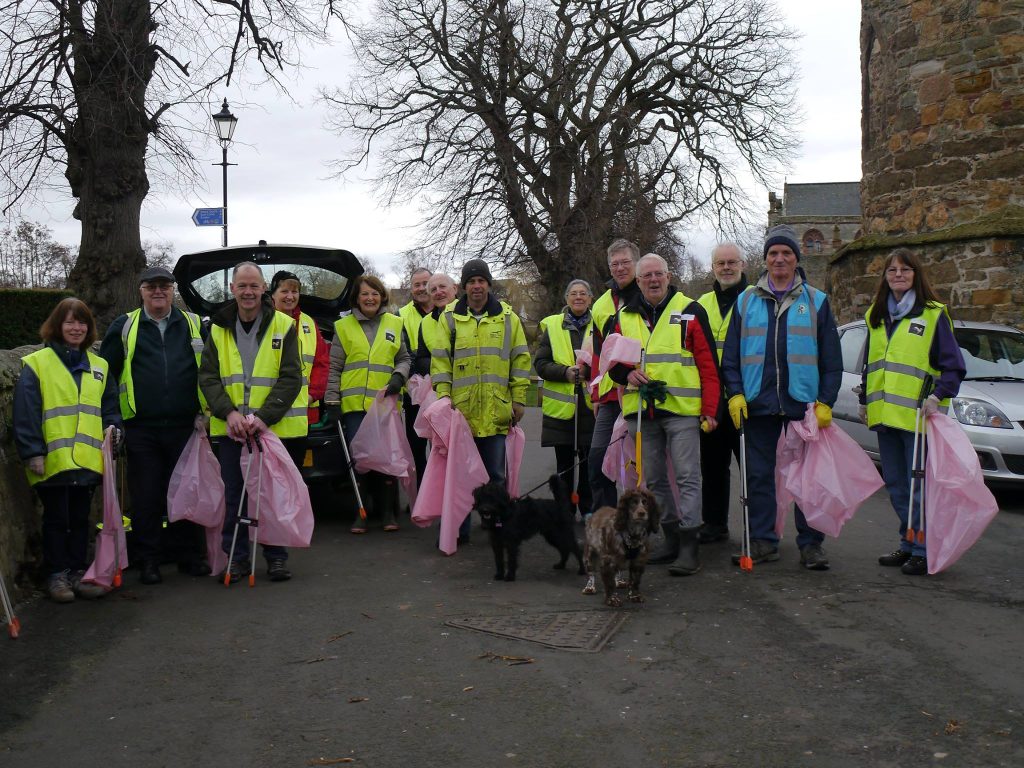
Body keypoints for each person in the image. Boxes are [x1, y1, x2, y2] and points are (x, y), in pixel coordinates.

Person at [721, 225, 842, 571]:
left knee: (808, 480)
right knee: (758, 477)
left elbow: (832, 362)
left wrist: (825, 402)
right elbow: (730, 358)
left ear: (796, 259)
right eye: (773, 253)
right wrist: (736, 394)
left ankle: (811, 545)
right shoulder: (746, 301)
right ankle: (762, 541)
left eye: (786, 253)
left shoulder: (817, 302)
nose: (779, 259)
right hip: (757, 405)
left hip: (802, 406)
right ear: (765, 259)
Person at [605, 253, 720, 576]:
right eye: (647, 276)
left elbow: (708, 364)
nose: (653, 280)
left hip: (682, 411)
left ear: (669, 277)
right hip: (641, 411)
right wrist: (626, 374)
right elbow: (610, 364)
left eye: (659, 274)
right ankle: (669, 537)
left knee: (687, 476)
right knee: (653, 479)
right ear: (638, 281)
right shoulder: (623, 316)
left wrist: (711, 410)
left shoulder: (690, 310)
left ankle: (688, 545)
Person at [860, 248, 965, 576]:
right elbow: (871, 364)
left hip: (917, 419)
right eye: (892, 271)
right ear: (885, 277)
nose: (898, 275)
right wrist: (864, 399)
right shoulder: (875, 316)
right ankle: (908, 542)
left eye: (905, 270)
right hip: (884, 417)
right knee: (896, 485)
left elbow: (953, 367)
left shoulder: (933, 314)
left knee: (918, 488)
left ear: (916, 275)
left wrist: (938, 396)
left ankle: (923, 547)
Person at [99, 266, 208, 585]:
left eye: (164, 286)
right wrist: (113, 418)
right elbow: (108, 377)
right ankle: (149, 560)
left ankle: (188, 555)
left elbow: (211, 370)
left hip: (185, 425)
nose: (158, 291)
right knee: (146, 497)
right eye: (151, 286)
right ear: (141, 290)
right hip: (141, 428)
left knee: (185, 492)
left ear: (173, 290)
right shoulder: (124, 326)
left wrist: (207, 412)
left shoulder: (193, 324)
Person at [198, 262, 305, 583]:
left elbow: (290, 378)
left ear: (264, 290)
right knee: (235, 497)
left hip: (268, 429)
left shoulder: (284, 326)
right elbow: (208, 378)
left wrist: (262, 418)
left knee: (271, 496)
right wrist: (228, 413)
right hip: (229, 429)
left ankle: (276, 558)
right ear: (232, 289)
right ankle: (237, 559)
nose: (248, 292)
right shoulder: (217, 329)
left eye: (254, 286)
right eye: (242, 286)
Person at [14, 298, 121, 602]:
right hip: (53, 460)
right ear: (57, 326)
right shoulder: (38, 364)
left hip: (87, 460)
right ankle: (56, 575)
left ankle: (78, 571)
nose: (76, 328)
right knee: (56, 519)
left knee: (79, 518)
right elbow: (26, 413)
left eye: (82, 322)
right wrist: (33, 451)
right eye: (70, 322)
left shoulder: (99, 366)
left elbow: (110, 408)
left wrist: (116, 432)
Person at [431, 259, 530, 542]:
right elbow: (440, 363)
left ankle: (497, 526)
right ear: (464, 286)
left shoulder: (508, 318)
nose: (477, 286)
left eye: (481, 281)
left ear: (488, 284)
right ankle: (458, 530)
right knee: (460, 475)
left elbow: (520, 360)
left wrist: (519, 399)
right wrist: (444, 397)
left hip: (496, 409)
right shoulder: (449, 318)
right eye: (471, 281)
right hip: (460, 411)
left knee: (495, 476)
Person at [324, 274, 411, 533]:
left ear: (382, 296)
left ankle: (386, 513)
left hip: (385, 404)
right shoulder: (343, 326)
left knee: (385, 458)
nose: (370, 298)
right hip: (354, 406)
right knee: (359, 460)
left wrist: (398, 378)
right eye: (365, 294)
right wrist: (332, 400)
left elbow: (404, 358)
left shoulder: (395, 324)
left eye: (374, 293)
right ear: (357, 298)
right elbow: (335, 367)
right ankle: (360, 512)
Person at [695, 243, 748, 544]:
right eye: (720, 263)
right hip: (711, 401)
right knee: (712, 467)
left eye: (732, 262)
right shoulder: (700, 303)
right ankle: (714, 524)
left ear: (742, 264)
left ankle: (759, 529)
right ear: (713, 267)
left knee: (752, 471)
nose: (726, 268)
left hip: (745, 399)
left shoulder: (755, 299)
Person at [588, 239, 642, 513]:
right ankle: (605, 522)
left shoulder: (649, 294)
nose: (620, 268)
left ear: (636, 263)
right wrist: (596, 395)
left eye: (625, 263)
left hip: (641, 394)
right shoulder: (599, 305)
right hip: (609, 395)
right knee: (597, 460)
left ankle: (644, 522)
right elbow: (599, 353)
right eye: (614, 264)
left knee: (640, 466)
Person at [534, 279, 596, 517]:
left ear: (590, 299)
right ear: (566, 299)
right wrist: (565, 373)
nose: (578, 297)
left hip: (591, 408)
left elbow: (607, 360)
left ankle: (588, 507)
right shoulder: (552, 325)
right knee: (565, 466)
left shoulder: (600, 323)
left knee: (590, 464)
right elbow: (540, 363)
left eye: (583, 293)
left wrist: (588, 372)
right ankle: (564, 510)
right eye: (573, 293)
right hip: (561, 411)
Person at [269, 270, 330, 431]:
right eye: (284, 291)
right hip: (268, 412)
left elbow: (321, 363)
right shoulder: (263, 321)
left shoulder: (309, 323)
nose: (290, 296)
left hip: (304, 411)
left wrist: (311, 396)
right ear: (273, 295)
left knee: (298, 456)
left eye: (294, 291)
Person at [398, 267, 433, 486]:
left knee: (444, 448)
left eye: (425, 284)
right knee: (416, 448)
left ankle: (442, 496)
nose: (421, 289)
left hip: (447, 391)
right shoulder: (401, 315)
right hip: (415, 395)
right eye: (416, 285)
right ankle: (421, 495)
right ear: (411, 289)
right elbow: (403, 353)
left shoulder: (450, 309)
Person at [414, 273, 459, 378]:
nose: (438, 292)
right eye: (433, 290)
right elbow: (422, 359)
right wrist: (441, 367)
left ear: (455, 288)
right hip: (440, 386)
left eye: (442, 287)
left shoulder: (470, 313)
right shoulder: (425, 322)